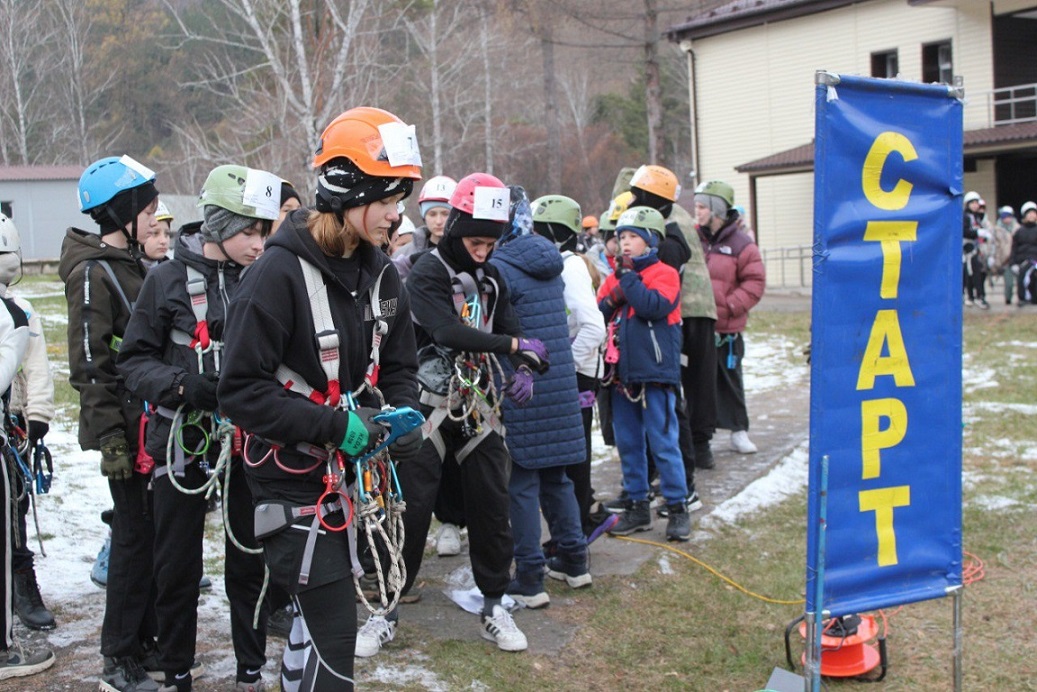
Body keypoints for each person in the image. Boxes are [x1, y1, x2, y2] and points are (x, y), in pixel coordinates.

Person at [217, 106, 424, 690]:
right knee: (336, 636)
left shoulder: (381, 276)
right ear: (348, 192)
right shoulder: (277, 277)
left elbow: (401, 366)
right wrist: (335, 429)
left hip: (351, 477)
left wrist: (395, 416)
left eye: (400, 198)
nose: (396, 213)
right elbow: (239, 390)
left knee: (318, 624)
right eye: (387, 198)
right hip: (291, 479)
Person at [358, 172, 549, 658]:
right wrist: (512, 346)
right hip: (426, 405)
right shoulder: (426, 271)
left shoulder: (492, 278)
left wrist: (527, 363)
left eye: (491, 242)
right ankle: (385, 609)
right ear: (457, 228)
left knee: (491, 504)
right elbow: (445, 331)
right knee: (413, 506)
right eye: (475, 240)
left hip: (478, 406)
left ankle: (493, 603)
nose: (482, 250)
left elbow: (513, 327)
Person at [118, 165, 281, 692]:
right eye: (247, 231)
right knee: (176, 565)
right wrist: (188, 387)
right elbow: (133, 363)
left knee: (250, 560)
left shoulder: (268, 280)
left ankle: (249, 669)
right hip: (183, 440)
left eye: (264, 231)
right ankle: (177, 669)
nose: (259, 244)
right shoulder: (165, 280)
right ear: (215, 225)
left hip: (249, 444)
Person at [58, 155, 161, 692]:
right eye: (146, 208)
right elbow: (88, 365)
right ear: (121, 213)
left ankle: (145, 640)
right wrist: (111, 440)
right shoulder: (95, 273)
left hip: (152, 425)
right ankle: (118, 657)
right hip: (125, 431)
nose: (154, 217)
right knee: (130, 541)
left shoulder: (135, 265)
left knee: (149, 536)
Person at [491, 189, 592, 608]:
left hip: (524, 382)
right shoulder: (550, 259)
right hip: (558, 379)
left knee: (522, 483)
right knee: (558, 477)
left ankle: (530, 577)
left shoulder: (498, 265)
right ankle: (574, 560)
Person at [598, 207, 690, 541]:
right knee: (629, 442)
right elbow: (600, 311)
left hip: (655, 374)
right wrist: (615, 293)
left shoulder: (665, 274)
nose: (625, 243)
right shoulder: (614, 276)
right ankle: (637, 504)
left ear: (650, 241)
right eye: (621, 236)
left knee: (663, 442)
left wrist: (627, 282)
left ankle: (678, 507)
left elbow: (653, 306)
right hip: (621, 376)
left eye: (633, 237)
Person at [528, 194, 608, 541]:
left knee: (573, 460)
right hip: (568, 371)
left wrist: (561, 364)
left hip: (577, 374)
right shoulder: (555, 263)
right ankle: (576, 527)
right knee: (567, 457)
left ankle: (576, 533)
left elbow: (593, 326)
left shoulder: (571, 266)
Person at [0, 215, 55, 681]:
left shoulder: (20, 312)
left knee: (15, 510)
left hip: (13, 424)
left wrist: (37, 418)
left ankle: (23, 585)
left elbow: (36, 368)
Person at [695, 180, 766, 455]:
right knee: (700, 384)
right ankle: (703, 434)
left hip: (727, 330)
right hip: (700, 326)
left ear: (717, 210)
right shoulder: (695, 238)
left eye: (702, 206)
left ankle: (738, 431)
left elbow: (755, 283)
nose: (697, 212)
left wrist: (729, 305)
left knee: (730, 380)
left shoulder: (742, 244)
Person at [392, 174, 456, 280]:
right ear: (423, 215)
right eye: (432, 214)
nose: (439, 221)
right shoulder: (402, 255)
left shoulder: (466, 254)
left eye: (445, 214)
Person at [962, 190, 990, 309]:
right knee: (970, 273)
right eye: (972, 203)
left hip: (978, 248)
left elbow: (982, 232)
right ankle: (971, 297)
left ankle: (980, 296)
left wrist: (985, 236)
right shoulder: (965, 216)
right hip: (967, 249)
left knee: (980, 273)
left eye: (976, 202)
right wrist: (977, 232)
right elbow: (964, 232)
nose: (974, 205)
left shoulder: (978, 217)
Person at [1010, 201, 1037, 306]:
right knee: (1023, 274)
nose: (1031, 215)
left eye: (1034, 213)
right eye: (1029, 213)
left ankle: (1029, 298)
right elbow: (1014, 248)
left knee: (1028, 275)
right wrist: (1013, 263)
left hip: (1034, 260)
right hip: (1022, 261)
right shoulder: (1019, 231)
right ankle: (1023, 298)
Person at [991, 205, 1019, 305]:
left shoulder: (1018, 229)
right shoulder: (996, 230)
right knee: (1009, 283)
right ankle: (1008, 300)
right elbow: (994, 246)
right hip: (1005, 260)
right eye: (1004, 216)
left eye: (1008, 216)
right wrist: (995, 260)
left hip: (1016, 259)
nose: (1007, 218)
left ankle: (1022, 299)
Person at [143, 202, 173, 269]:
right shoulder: (125, 271)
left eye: (167, 234)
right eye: (155, 233)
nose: (163, 241)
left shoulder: (173, 272)